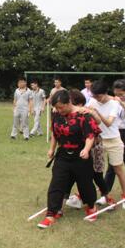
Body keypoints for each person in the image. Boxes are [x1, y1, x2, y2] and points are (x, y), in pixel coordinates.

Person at [37, 90, 100, 229]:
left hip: (80, 155)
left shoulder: (83, 115)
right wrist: (52, 149)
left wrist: (86, 149)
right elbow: (55, 133)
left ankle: (91, 207)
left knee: (85, 184)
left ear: (69, 103)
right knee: (56, 183)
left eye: (61, 107)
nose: (58, 110)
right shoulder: (58, 115)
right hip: (63, 155)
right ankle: (51, 214)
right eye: (56, 108)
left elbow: (91, 135)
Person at [87, 80, 125, 209]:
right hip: (97, 140)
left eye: (98, 96)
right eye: (94, 96)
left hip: (113, 140)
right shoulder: (93, 100)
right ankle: (103, 195)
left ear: (105, 93)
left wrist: (96, 112)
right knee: (95, 170)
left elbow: (108, 123)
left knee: (118, 169)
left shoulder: (114, 104)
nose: (96, 99)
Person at [65, 90, 114, 210]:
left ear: (79, 104)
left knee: (96, 175)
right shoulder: (67, 114)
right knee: (73, 175)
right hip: (79, 149)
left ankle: (107, 196)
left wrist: (91, 112)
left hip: (94, 148)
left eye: (70, 102)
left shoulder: (86, 112)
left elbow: (97, 121)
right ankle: (68, 199)